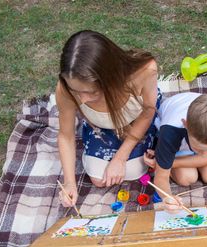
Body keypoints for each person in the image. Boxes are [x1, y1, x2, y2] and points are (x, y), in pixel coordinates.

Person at [56, 30, 159, 208]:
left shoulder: (144, 71)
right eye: (76, 90)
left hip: (137, 121)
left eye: (91, 92)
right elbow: (66, 135)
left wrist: (120, 158)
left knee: (134, 171)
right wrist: (69, 182)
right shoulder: (65, 88)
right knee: (99, 179)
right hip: (100, 126)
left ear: (110, 77)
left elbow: (148, 111)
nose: (83, 100)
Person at [144, 92, 207, 213]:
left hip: (195, 131)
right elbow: (161, 177)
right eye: (199, 149)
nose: (204, 154)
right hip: (180, 143)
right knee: (187, 178)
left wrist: (167, 163)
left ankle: (192, 152)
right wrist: (168, 198)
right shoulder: (170, 132)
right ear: (186, 124)